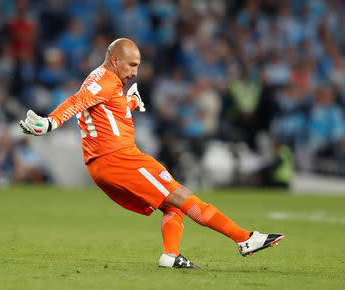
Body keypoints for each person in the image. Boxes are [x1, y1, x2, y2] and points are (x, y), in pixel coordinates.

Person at [19, 38, 283, 269]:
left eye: (138, 65)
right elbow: (77, 100)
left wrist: (130, 102)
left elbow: (106, 110)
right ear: (114, 60)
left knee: (173, 205)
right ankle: (244, 238)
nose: (136, 72)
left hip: (103, 164)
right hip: (119, 157)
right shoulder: (106, 80)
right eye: (131, 65)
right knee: (181, 194)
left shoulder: (105, 80)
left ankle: (171, 255)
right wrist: (49, 123)